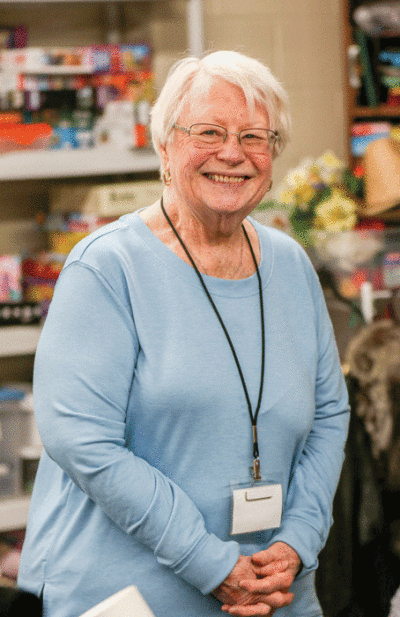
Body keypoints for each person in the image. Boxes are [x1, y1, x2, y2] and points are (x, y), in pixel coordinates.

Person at [17, 50, 350, 617]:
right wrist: (210, 563)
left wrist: (298, 538)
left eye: (254, 136)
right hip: (128, 597)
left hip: (276, 591)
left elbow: (328, 415)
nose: (232, 153)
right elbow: (82, 441)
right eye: (209, 132)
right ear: (164, 146)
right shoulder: (106, 268)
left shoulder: (291, 266)